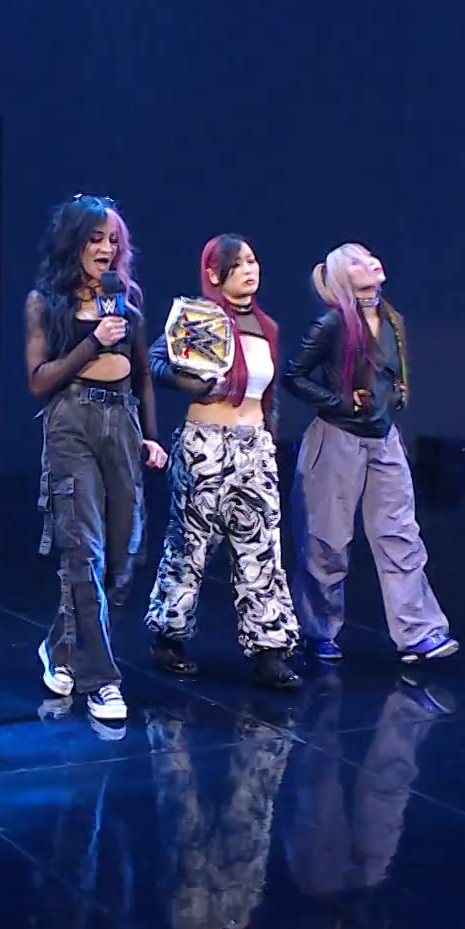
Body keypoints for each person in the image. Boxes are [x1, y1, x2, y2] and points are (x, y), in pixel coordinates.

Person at [25, 194, 169, 723]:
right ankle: (103, 682)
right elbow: (39, 381)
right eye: (95, 239)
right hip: (72, 422)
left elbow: (144, 374)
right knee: (82, 553)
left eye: (113, 240)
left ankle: (60, 647)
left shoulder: (126, 298)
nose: (106, 249)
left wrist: (151, 436)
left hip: (121, 422)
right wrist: (93, 343)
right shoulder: (44, 303)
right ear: (74, 242)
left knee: (123, 557)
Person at [282, 242, 457, 665]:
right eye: (357, 262)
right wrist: (339, 402)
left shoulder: (392, 320)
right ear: (343, 277)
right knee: (326, 540)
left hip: (383, 438)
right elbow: (294, 375)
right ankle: (317, 631)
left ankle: (417, 632)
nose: (371, 263)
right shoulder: (333, 324)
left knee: (400, 535)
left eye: (369, 257)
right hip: (337, 439)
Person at [144, 234, 302, 690]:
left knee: (262, 547)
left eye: (254, 261)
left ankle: (270, 650)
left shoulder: (267, 327)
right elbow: (155, 361)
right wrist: (188, 383)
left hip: (254, 446)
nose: (251, 269)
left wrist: (269, 442)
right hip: (206, 444)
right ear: (215, 273)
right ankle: (169, 635)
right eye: (240, 263)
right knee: (191, 543)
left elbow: (268, 393)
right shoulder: (201, 317)